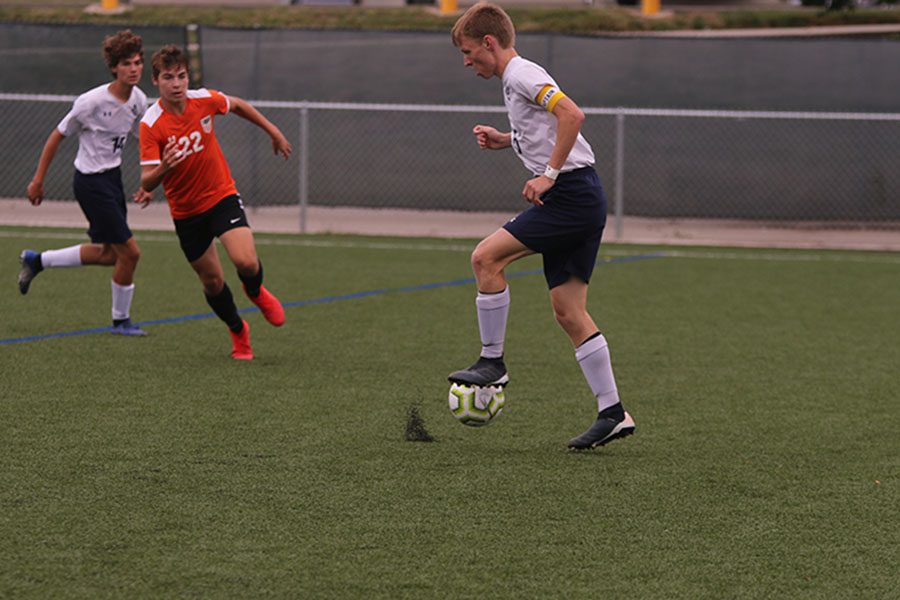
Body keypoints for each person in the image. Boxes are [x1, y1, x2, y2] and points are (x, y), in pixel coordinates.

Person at [448, 2, 636, 450]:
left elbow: (572, 115)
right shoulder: (516, 79)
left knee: (485, 257)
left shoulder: (520, 74)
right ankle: (612, 413)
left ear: (490, 43)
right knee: (569, 312)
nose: (466, 60)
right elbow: (545, 127)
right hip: (580, 195)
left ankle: (492, 361)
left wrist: (548, 174)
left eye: (470, 51)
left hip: (570, 196)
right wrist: (507, 139)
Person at [139, 44, 291, 361]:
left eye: (181, 76)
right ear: (156, 81)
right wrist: (165, 168)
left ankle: (256, 292)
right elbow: (147, 180)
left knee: (246, 262)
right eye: (169, 77)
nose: (177, 83)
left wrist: (272, 130)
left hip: (221, 196)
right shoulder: (151, 124)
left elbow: (236, 105)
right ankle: (238, 331)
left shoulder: (203, 100)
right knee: (212, 282)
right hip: (186, 213)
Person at [21, 29, 152, 336]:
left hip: (112, 180)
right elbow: (57, 136)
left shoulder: (139, 100)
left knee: (109, 255)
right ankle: (121, 321)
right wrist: (38, 180)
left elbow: (144, 141)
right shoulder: (90, 102)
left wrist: (149, 181)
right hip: (91, 184)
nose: (134, 69)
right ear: (114, 68)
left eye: (138, 62)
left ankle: (37, 260)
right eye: (127, 64)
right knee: (130, 253)